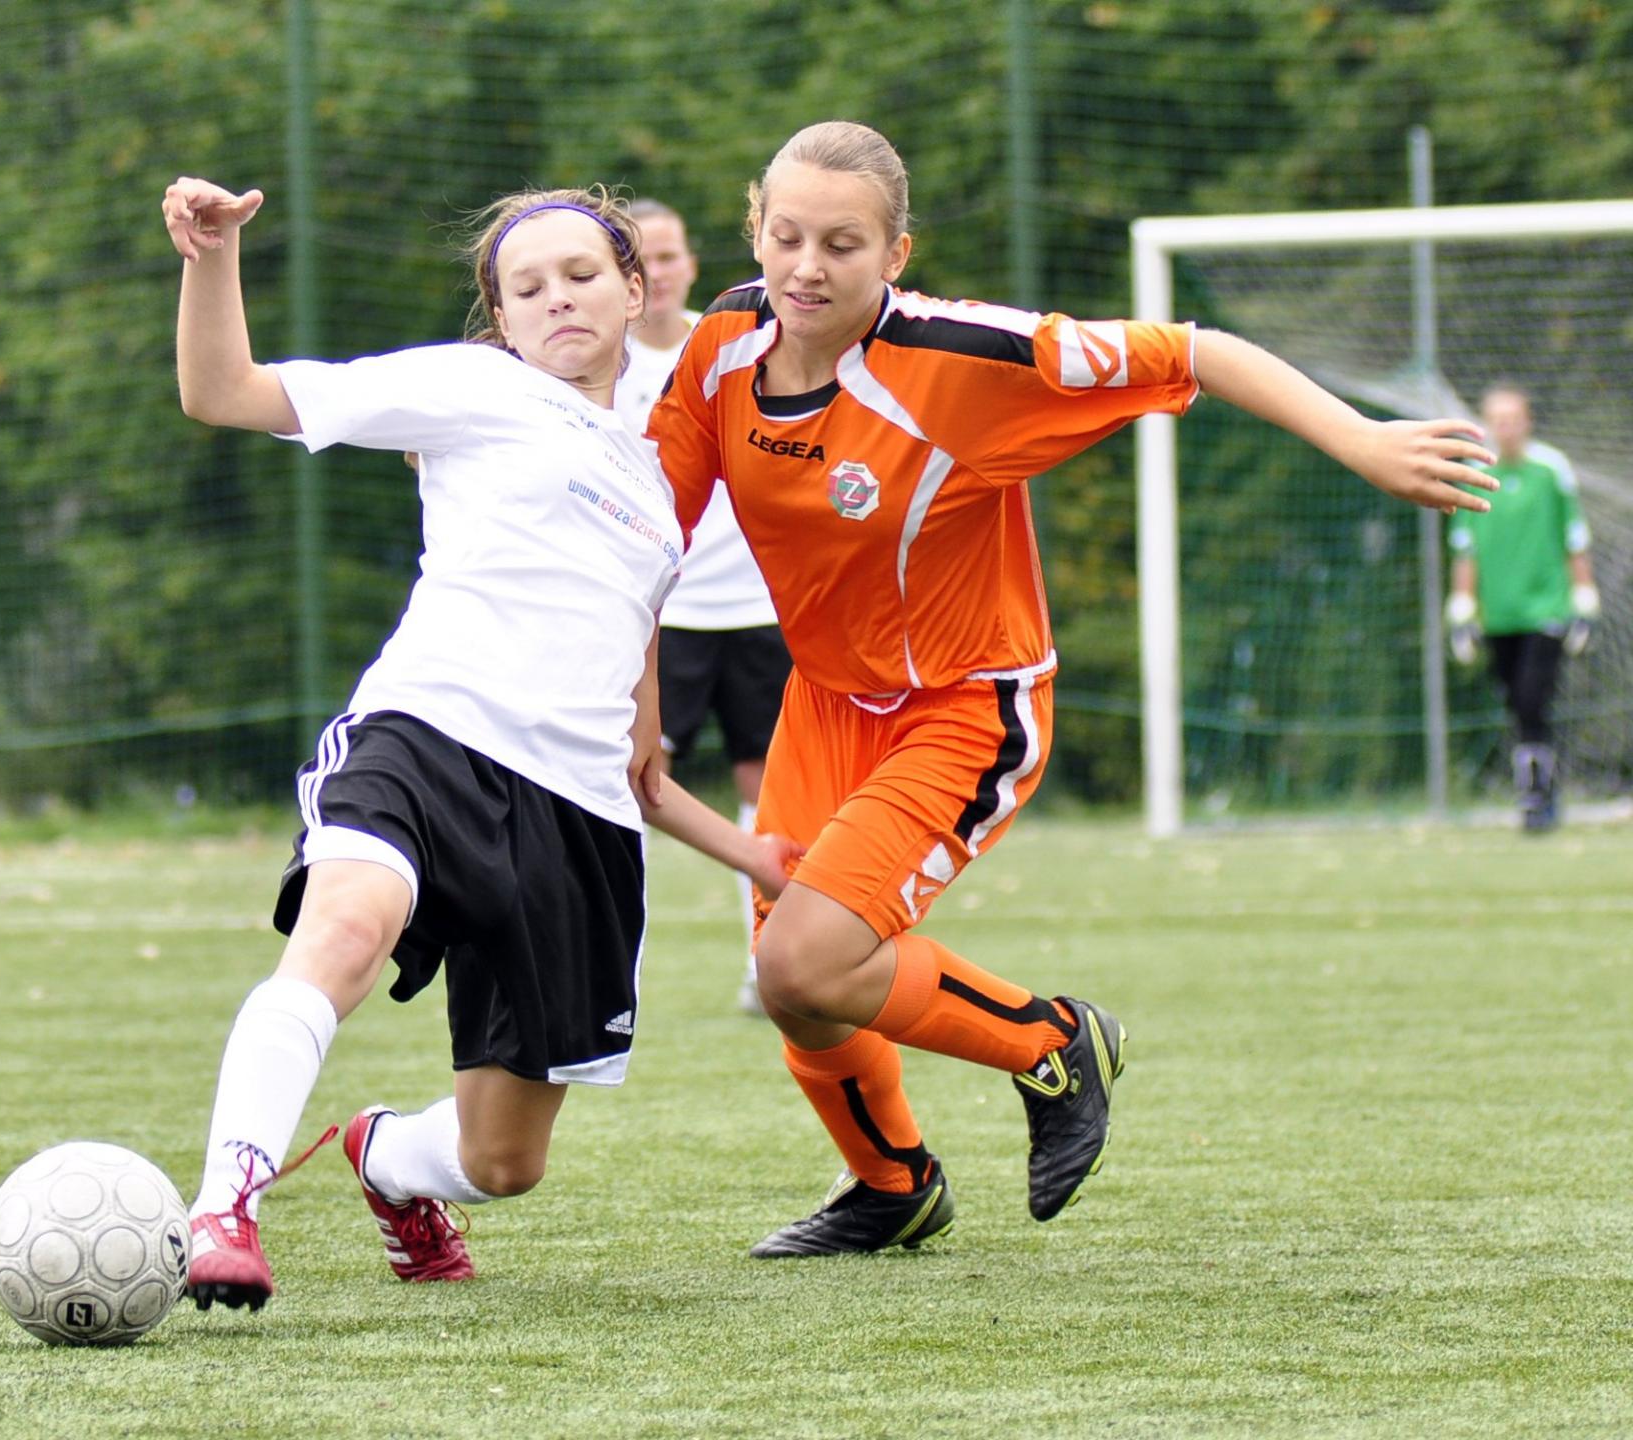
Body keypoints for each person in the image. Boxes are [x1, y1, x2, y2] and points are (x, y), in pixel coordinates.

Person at [647, 120, 1498, 1257]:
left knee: (807, 957)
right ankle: (893, 1186)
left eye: (843, 245)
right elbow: (645, 525)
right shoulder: (721, 345)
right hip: (826, 702)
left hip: (964, 709)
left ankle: (1053, 1043)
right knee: (794, 979)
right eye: (787, 236)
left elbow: (1195, 351)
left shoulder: (967, 361)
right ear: (754, 227)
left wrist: (1362, 442)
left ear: (896, 254)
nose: (808, 267)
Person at [161, 175, 798, 1307]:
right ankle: (224, 1207)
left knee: (504, 1162)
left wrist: (756, 856)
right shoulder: (473, 388)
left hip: (575, 820)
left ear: (634, 289)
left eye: (581, 274)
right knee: (344, 933)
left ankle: (385, 1159)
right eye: (527, 286)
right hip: (428, 738)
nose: (558, 298)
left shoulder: (664, 493)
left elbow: (638, 752)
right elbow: (223, 392)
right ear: (500, 316)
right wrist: (212, 258)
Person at [614, 198, 792, 1015]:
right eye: (640, 259)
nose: (656, 273)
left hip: (760, 608)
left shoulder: (732, 346)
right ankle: (613, 975)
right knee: (633, 783)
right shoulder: (602, 365)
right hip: (664, 618)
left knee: (773, 792)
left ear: (690, 263)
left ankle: (770, 963)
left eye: (668, 255)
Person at [1446, 384, 1601, 832]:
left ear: (1527, 421)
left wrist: (1584, 600)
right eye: (1498, 420)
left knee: (1534, 698)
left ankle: (1537, 795)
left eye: (1513, 419)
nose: (1506, 428)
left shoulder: (1551, 470)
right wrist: (1462, 610)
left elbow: (1574, 537)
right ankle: (1537, 788)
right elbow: (1466, 549)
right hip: (1500, 614)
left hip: (1546, 609)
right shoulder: (1476, 474)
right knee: (1518, 704)